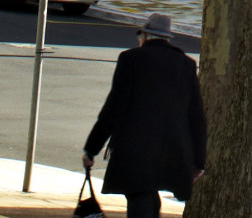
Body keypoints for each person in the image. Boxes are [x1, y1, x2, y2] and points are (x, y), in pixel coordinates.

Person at [81, 14, 206, 218]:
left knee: (140, 197)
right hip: (172, 150)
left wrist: (91, 149)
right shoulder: (186, 65)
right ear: (167, 38)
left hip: (135, 149)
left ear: (145, 36)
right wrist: (199, 161)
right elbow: (196, 117)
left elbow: (113, 108)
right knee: (149, 199)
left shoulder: (130, 59)